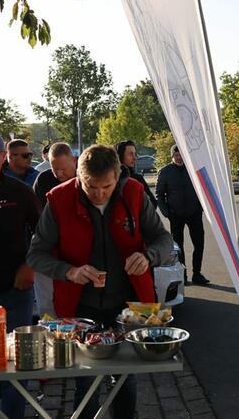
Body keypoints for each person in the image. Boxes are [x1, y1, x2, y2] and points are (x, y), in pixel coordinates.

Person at [27, 144, 173, 419]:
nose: (99, 194)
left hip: (129, 304)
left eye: (106, 186)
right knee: (84, 377)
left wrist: (148, 256)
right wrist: (69, 271)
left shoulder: (134, 194)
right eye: (90, 186)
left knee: (126, 377)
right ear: (77, 177)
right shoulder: (58, 200)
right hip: (81, 304)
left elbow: (163, 239)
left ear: (117, 176)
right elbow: (36, 255)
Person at [0, 130, 41, 419]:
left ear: (1, 158)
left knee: (17, 360)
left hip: (14, 289)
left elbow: (43, 233)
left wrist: (29, 265)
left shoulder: (19, 192)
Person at [32, 142, 78, 317]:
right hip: (49, 249)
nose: (59, 174)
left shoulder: (86, 178)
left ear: (74, 161)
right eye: (54, 168)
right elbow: (35, 216)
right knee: (48, 304)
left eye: (63, 169)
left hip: (77, 250)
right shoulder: (44, 180)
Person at [156, 144, 210, 285]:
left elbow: (203, 189)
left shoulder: (193, 170)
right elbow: (159, 195)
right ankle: (183, 276)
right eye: (176, 155)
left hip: (194, 213)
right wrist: (167, 213)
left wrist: (201, 208)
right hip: (176, 215)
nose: (179, 158)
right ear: (172, 156)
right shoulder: (165, 172)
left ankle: (197, 274)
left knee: (199, 244)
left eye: (181, 155)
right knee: (178, 247)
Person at [115, 140, 157, 208]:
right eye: (130, 154)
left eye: (135, 154)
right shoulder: (111, 179)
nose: (134, 158)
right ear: (120, 156)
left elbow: (153, 203)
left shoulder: (138, 178)